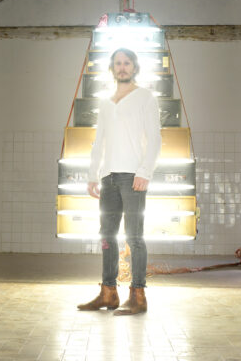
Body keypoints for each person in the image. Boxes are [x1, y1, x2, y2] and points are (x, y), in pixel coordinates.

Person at [77, 47, 161, 315]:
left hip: (132, 175)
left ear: (134, 67)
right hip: (108, 177)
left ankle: (138, 296)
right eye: (118, 63)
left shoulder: (145, 97)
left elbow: (155, 138)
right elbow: (98, 141)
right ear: (112, 68)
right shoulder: (105, 102)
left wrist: (145, 171)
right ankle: (108, 293)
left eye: (126, 63)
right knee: (107, 236)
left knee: (134, 237)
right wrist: (93, 175)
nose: (122, 67)